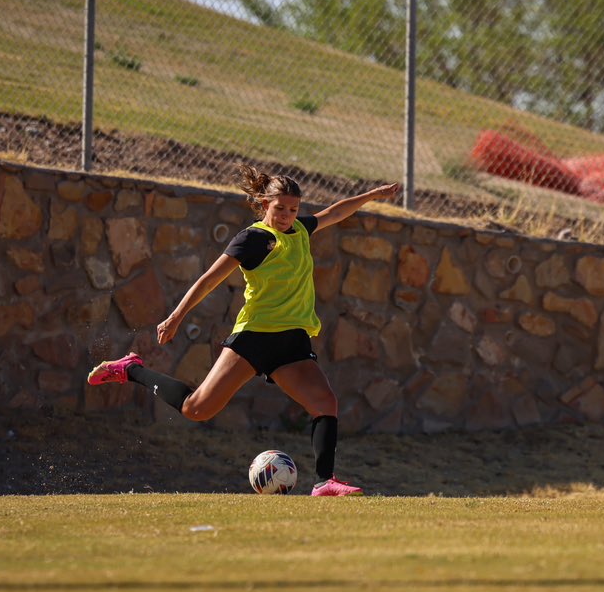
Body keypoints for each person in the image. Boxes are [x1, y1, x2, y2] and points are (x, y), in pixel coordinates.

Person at [88, 163, 400, 496]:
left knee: (325, 403)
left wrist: (371, 195)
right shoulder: (252, 239)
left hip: (293, 339)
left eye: (293, 210)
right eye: (280, 208)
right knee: (197, 409)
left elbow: (336, 213)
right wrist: (177, 316)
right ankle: (132, 369)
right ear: (265, 204)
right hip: (254, 337)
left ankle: (325, 482)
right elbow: (210, 279)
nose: (287, 215)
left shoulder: (301, 231)